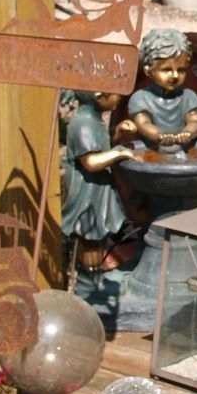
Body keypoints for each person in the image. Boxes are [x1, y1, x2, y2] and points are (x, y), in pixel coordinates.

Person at [61, 89, 135, 275]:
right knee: (91, 237)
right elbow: (91, 162)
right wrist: (118, 154)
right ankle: (89, 279)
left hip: (96, 188)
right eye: (116, 93)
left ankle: (93, 275)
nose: (120, 97)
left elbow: (100, 145)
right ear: (99, 96)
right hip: (87, 193)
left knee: (97, 236)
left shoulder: (93, 120)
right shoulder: (84, 124)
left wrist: (117, 131)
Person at [123, 28, 197, 152]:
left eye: (181, 70)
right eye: (166, 70)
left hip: (183, 152)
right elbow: (143, 123)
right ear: (148, 71)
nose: (175, 76)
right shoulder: (141, 98)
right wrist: (159, 135)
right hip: (151, 152)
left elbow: (195, 120)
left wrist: (188, 132)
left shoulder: (188, 97)